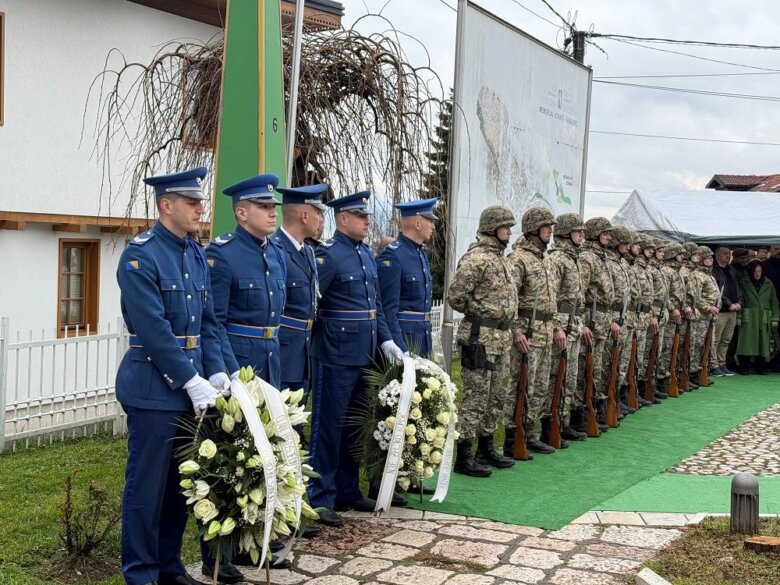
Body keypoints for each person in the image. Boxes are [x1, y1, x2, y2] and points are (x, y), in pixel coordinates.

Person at [116, 167, 227, 585]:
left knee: (182, 486)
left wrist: (216, 370)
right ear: (166, 205)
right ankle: (141, 573)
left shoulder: (194, 252)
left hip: (189, 388)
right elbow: (154, 329)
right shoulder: (140, 255)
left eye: (200, 201)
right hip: (152, 388)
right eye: (192, 202)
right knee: (147, 489)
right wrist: (189, 378)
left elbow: (209, 322)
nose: (201, 208)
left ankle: (168, 565)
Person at [308, 191, 401, 525]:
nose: (367, 222)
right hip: (335, 355)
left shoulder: (364, 254)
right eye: (361, 217)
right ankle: (320, 496)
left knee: (355, 426)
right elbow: (313, 305)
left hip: (364, 354)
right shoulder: (328, 255)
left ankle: (348, 489)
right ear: (342, 219)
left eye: (367, 217)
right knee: (328, 428)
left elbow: (375, 306)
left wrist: (386, 341)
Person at [448, 205, 518, 476]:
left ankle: (485, 448)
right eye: (505, 227)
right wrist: (480, 312)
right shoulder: (477, 258)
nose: (510, 232)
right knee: (475, 398)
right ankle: (464, 456)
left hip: (501, 337)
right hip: (480, 338)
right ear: (492, 227)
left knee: (497, 395)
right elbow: (456, 296)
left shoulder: (501, 258)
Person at [205, 174, 286, 389]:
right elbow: (215, 321)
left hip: (272, 360)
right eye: (264, 207)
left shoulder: (277, 253)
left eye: (273, 207)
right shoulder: (223, 253)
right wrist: (232, 370)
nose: (273, 213)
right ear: (241, 213)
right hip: (239, 360)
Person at [270, 184, 327, 421]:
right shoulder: (276, 250)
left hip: (304, 355)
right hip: (284, 355)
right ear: (305, 215)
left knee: (295, 428)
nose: (322, 220)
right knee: (280, 427)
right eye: (319, 213)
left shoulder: (308, 252)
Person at [507, 208, 558, 452]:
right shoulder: (519, 259)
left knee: (539, 386)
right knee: (522, 386)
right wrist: (516, 331)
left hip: (546, 330)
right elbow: (510, 298)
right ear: (533, 229)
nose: (550, 230)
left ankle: (528, 432)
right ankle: (512, 436)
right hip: (528, 332)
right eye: (546, 226)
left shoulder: (546, 258)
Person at [544, 213, 590, 440]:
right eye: (577, 231)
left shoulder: (574, 259)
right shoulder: (557, 260)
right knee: (556, 378)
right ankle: (549, 426)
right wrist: (555, 327)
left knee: (569, 379)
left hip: (574, 325)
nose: (582, 235)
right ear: (566, 233)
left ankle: (561, 422)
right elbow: (550, 297)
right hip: (561, 326)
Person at [377, 197, 437, 358]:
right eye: (429, 220)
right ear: (417, 224)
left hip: (422, 337)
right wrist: (400, 347)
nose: (433, 226)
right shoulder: (394, 255)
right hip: (404, 338)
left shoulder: (421, 254)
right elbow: (387, 309)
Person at [577, 217, 618, 432]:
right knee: (586, 370)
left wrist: (610, 320)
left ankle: (594, 409)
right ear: (594, 234)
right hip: (590, 322)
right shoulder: (588, 259)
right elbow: (579, 294)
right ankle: (581, 416)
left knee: (598, 369)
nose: (609, 237)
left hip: (602, 321)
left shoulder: (602, 258)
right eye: (605, 233)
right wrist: (583, 323)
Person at [736, 260, 779, 374]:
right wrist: (739, 316)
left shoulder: (769, 283)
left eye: (759, 271)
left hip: (764, 315)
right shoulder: (744, 282)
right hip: (749, 314)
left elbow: (774, 301)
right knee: (746, 342)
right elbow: (740, 299)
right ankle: (744, 365)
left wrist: (775, 318)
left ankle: (761, 366)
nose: (757, 274)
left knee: (763, 342)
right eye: (755, 271)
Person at [711, 245, 742, 376]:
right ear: (717, 254)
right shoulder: (714, 270)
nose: (728, 256)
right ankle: (713, 365)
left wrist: (740, 302)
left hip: (733, 311)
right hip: (722, 310)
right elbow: (717, 291)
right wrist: (729, 304)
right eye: (725, 253)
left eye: (730, 254)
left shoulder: (732, 270)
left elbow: (739, 288)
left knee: (726, 340)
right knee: (716, 339)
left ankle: (721, 362)